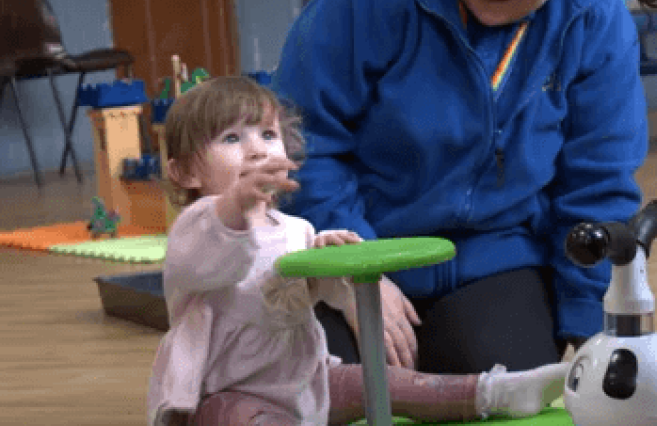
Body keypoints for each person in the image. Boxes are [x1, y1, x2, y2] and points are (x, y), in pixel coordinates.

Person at [273, 0, 648, 376]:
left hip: (500, 259)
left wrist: (591, 326)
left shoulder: (594, 16)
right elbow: (304, 137)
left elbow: (598, 185)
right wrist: (357, 272)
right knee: (320, 386)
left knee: (502, 392)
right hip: (363, 243)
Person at [146, 76, 571, 426]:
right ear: (184, 171)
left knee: (385, 383)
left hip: (304, 382)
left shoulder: (297, 228)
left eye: (268, 134)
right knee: (233, 419)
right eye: (232, 138)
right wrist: (235, 203)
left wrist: (329, 266)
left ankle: (491, 392)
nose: (257, 149)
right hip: (226, 393)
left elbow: (305, 297)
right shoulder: (196, 227)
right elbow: (220, 257)